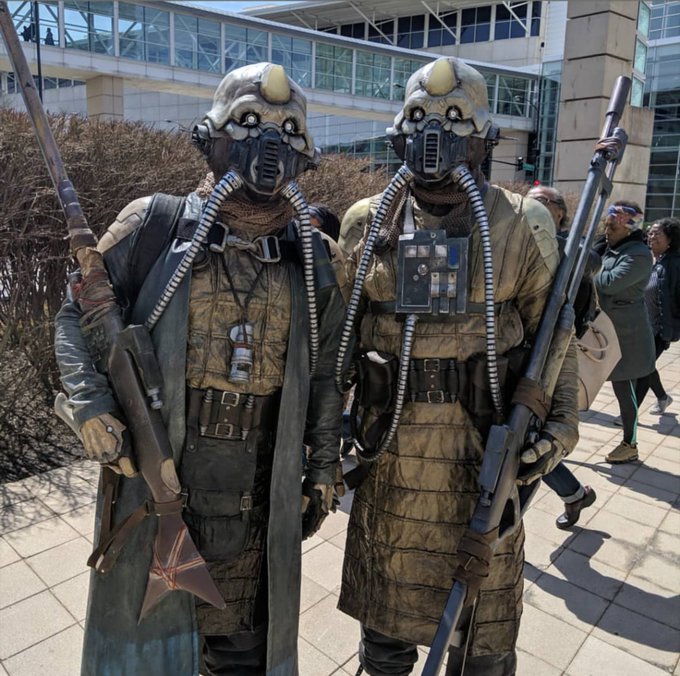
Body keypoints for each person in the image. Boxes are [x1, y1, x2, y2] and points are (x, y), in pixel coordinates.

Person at [53, 62, 346, 676]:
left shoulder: (313, 256)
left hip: (259, 488)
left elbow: (326, 371)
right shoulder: (153, 224)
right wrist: (92, 406)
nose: (268, 146)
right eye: (249, 124)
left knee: (243, 650)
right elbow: (78, 316)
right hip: (160, 471)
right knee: (152, 651)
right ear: (211, 135)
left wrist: (322, 466)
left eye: (287, 131)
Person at [337, 57, 579, 676]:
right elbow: (337, 343)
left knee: (482, 647)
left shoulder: (521, 222)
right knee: (385, 639)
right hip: (391, 459)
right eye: (419, 117)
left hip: (483, 455)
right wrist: (322, 438)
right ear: (399, 133)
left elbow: (556, 336)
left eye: (453, 118)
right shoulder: (368, 221)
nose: (434, 134)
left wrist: (559, 428)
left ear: (483, 138)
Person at [526, 185, 598, 529]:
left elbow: (591, 261)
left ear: (559, 212)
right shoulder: (515, 241)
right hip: (516, 353)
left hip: (548, 359)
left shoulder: (570, 248)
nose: (531, 207)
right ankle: (574, 494)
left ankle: (572, 494)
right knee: (526, 439)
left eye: (540, 202)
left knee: (529, 438)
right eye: (527, 202)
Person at [594, 201, 655, 464]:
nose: (607, 232)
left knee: (624, 389)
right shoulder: (611, 248)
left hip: (627, 335)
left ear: (629, 229)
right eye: (607, 226)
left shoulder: (639, 254)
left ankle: (630, 444)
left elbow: (609, 283)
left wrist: (591, 264)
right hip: (602, 329)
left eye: (612, 228)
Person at [636, 217, 680, 413]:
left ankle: (630, 413)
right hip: (644, 326)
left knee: (642, 368)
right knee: (645, 364)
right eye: (650, 232)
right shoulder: (654, 261)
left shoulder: (675, 264)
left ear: (670, 239)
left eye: (657, 233)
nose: (651, 236)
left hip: (661, 328)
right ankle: (663, 397)